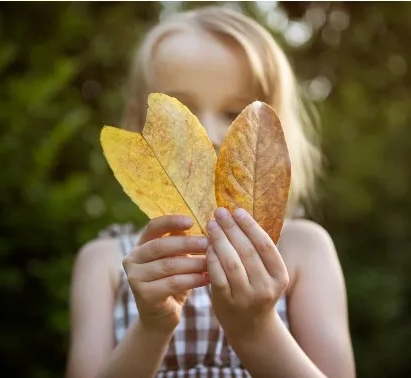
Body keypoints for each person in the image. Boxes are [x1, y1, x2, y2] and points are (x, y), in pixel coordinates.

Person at [66, 6, 355, 378]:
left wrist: (256, 329)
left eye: (236, 111)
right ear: (141, 127)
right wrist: (151, 329)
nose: (209, 133)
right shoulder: (104, 263)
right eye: (181, 110)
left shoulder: (303, 252)